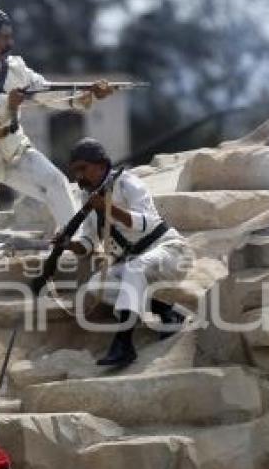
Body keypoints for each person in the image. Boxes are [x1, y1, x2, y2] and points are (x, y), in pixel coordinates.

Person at [0, 6, 115, 232]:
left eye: (10, 37)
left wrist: (83, 96)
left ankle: (77, 241)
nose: (9, 43)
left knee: (55, 182)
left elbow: (44, 92)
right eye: (3, 37)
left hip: (13, 148)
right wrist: (5, 102)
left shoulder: (16, 67)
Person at [61, 138, 190, 369]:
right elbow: (89, 241)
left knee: (134, 269)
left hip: (170, 251)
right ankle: (169, 313)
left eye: (83, 168)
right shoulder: (88, 197)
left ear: (101, 165)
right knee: (95, 287)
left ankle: (124, 344)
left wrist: (107, 208)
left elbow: (143, 222)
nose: (79, 176)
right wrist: (69, 244)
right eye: (75, 171)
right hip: (135, 263)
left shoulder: (128, 183)